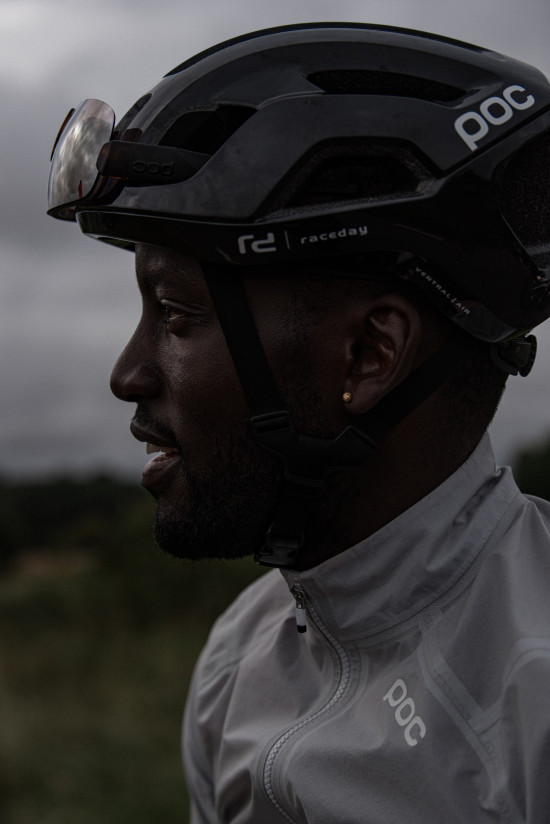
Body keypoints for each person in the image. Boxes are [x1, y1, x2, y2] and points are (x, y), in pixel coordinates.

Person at [47, 22, 550, 823]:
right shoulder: (237, 656)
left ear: (367, 355)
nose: (127, 374)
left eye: (175, 314)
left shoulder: (534, 693)